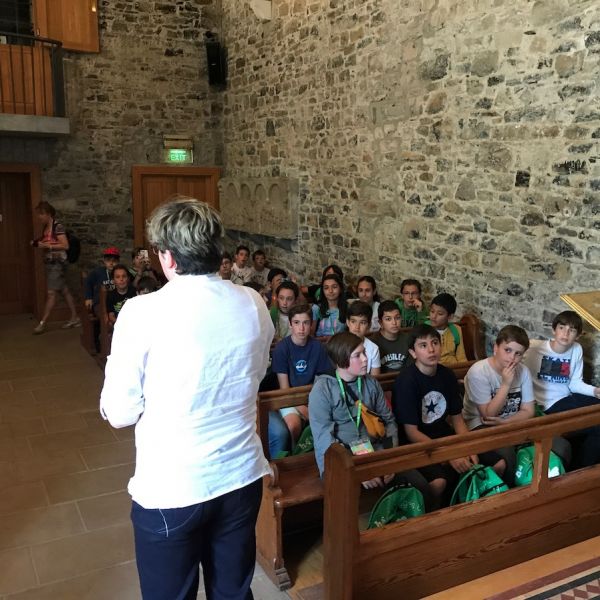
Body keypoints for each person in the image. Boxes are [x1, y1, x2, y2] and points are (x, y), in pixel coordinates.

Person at [100, 197, 274, 600]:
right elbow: (257, 371)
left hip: (174, 486)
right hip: (240, 475)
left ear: (168, 257)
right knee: (233, 593)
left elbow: (120, 413)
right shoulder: (253, 302)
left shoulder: (142, 312)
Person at [393, 325, 505, 508]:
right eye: (423, 345)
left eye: (435, 343)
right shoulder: (406, 381)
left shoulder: (446, 375)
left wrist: (468, 447)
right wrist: (448, 455)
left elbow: (457, 420)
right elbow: (411, 433)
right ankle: (437, 516)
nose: (431, 349)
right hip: (418, 444)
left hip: (446, 436)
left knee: (497, 463)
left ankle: (480, 507)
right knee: (439, 482)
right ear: (413, 353)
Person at [523, 311, 600, 468]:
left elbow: (574, 383)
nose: (566, 334)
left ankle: (584, 463)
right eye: (562, 327)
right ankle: (580, 470)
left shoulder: (576, 349)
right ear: (554, 330)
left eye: (572, 330)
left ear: (577, 335)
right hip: (545, 404)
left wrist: (595, 391)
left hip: (566, 397)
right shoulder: (533, 348)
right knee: (597, 424)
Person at [462, 325, 536, 483]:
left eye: (518, 354)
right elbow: (488, 415)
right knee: (507, 455)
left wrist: (506, 422)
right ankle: (512, 494)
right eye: (507, 350)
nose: (512, 358)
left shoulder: (523, 371)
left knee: (558, 444)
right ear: (496, 348)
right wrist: (506, 384)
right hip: (479, 425)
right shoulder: (479, 372)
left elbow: (529, 411)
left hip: (510, 423)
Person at [271, 304, 332, 445]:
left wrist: (313, 405)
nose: (302, 328)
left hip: (312, 396)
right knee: (294, 425)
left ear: (311, 325)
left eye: (306, 323)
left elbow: (322, 380)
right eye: (297, 323)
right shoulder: (282, 348)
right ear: (290, 324)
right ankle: (296, 454)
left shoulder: (317, 346)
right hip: (288, 398)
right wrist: (302, 408)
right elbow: (284, 389)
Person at [31, 201, 80, 334]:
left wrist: (47, 246)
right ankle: (75, 317)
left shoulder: (57, 227)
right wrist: (38, 243)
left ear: (48, 214)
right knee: (65, 291)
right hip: (51, 263)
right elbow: (49, 241)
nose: (39, 217)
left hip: (57, 264)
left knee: (51, 293)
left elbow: (65, 245)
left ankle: (43, 323)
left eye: (41, 214)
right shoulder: (46, 227)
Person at [427, 293, 467, 365]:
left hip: (454, 367)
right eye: (432, 311)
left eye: (440, 314)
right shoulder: (425, 329)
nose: (434, 316)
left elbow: (462, 357)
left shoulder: (456, 330)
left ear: (450, 316)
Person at [371, 300, 411, 373]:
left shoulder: (408, 339)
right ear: (380, 323)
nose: (394, 323)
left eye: (397, 318)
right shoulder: (373, 342)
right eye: (388, 319)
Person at [346, 301, 381, 375]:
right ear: (347, 322)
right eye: (353, 321)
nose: (357, 327)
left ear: (369, 325)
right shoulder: (339, 345)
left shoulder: (373, 349)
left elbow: (375, 379)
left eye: (362, 322)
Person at [84, 246, 120, 317]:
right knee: (106, 315)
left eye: (114, 261)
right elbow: (88, 282)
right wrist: (88, 297)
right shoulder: (98, 272)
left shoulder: (120, 272)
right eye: (108, 260)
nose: (111, 263)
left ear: (118, 262)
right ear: (104, 261)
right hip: (100, 303)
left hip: (116, 302)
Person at [311, 273, 348, 337]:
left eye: (334, 287)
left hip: (340, 342)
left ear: (341, 289)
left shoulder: (347, 308)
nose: (330, 291)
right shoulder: (317, 308)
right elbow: (311, 333)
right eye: (326, 288)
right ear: (323, 291)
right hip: (319, 342)